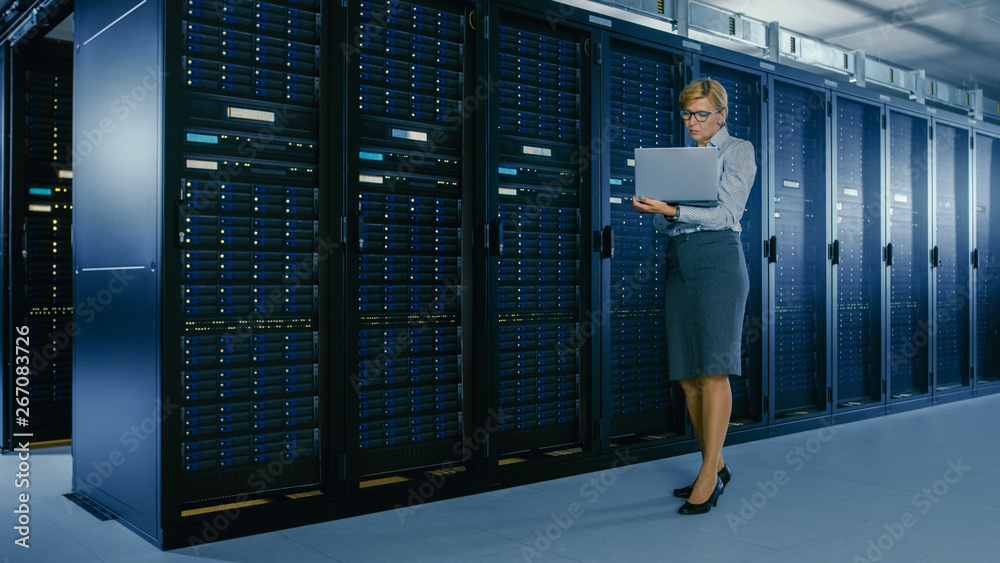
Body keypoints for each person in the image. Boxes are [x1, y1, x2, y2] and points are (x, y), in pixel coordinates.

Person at [632, 78, 756, 515]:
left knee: (713, 371)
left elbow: (727, 214)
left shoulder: (737, 150)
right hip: (680, 259)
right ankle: (716, 463)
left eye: (702, 114)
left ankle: (708, 477)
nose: (692, 122)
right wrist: (658, 212)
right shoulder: (681, 159)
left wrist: (672, 210)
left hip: (719, 261)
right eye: (687, 114)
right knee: (687, 375)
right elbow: (667, 225)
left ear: (722, 114)